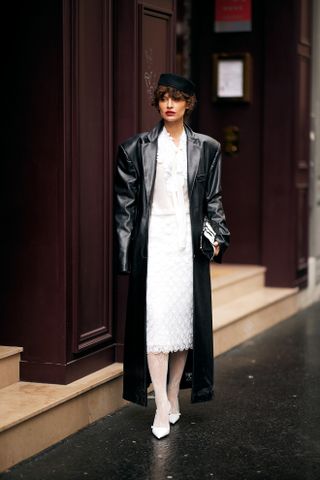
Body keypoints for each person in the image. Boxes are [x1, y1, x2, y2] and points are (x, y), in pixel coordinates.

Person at [114, 73, 230, 439]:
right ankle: (162, 406)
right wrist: (124, 254)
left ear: (187, 104)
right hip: (153, 245)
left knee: (182, 325)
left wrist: (218, 238)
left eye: (176, 99)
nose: (169, 104)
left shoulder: (207, 148)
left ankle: (170, 393)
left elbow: (213, 200)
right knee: (156, 325)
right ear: (158, 102)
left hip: (187, 244)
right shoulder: (136, 148)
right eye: (164, 97)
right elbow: (124, 207)